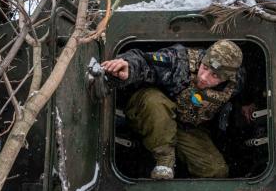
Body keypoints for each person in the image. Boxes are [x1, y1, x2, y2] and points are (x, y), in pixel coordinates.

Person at [101, 40, 244, 180]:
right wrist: (128, 66)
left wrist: (247, 104)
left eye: (215, 75)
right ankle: (165, 161)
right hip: (146, 112)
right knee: (154, 100)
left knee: (216, 171)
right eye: (205, 67)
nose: (204, 77)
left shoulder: (235, 81)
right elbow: (144, 60)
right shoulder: (178, 61)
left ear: (226, 78)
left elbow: (248, 87)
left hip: (185, 126)